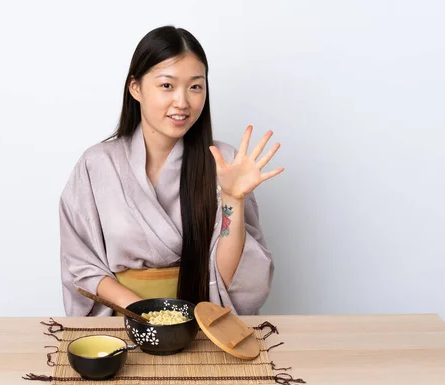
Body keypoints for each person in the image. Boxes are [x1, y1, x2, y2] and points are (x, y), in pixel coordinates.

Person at [59, 26, 284, 317]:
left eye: (195, 86)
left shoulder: (225, 162)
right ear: (135, 88)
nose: (182, 102)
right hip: (122, 320)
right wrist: (148, 315)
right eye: (167, 85)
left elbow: (230, 283)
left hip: (200, 322)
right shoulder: (97, 164)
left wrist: (232, 199)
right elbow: (82, 263)